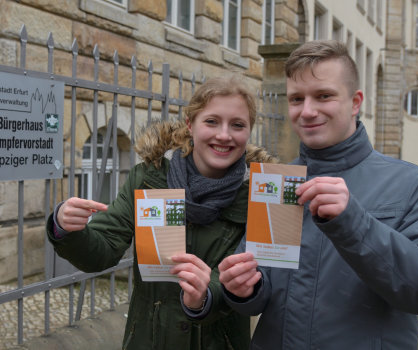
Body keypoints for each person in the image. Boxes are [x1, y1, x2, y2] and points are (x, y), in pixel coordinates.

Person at [217, 40, 418, 349]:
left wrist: (354, 223)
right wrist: (243, 288)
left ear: (355, 102)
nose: (307, 111)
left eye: (324, 96)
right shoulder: (277, 183)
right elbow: (260, 291)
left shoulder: (411, 184)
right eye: (296, 99)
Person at [46, 77, 276, 349]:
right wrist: (67, 229)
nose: (224, 135)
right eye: (211, 121)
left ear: (249, 131)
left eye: (237, 125)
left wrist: (208, 295)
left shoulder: (261, 196)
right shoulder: (148, 178)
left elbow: (261, 279)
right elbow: (103, 251)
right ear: (191, 125)